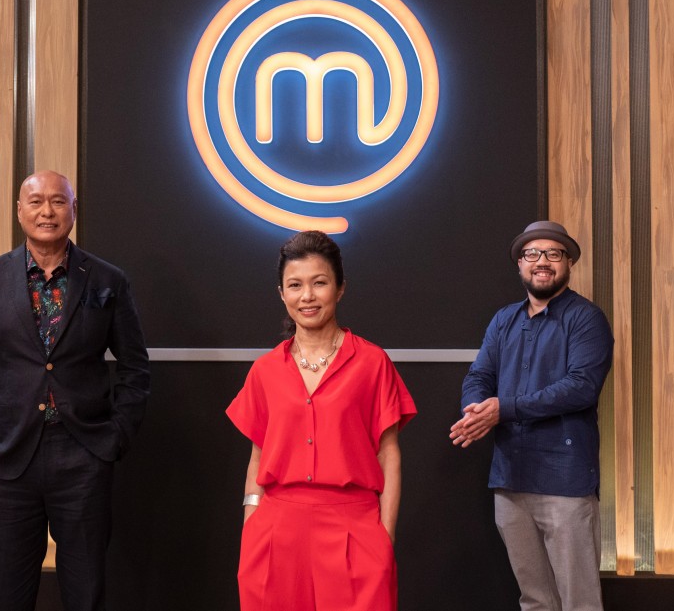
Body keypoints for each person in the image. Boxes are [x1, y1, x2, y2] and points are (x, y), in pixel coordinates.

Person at [0, 170, 150, 611]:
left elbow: (136, 369)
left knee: (86, 592)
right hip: (6, 460)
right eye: (36, 201)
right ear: (19, 211)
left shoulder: (107, 280)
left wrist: (113, 439)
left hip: (82, 455)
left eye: (58, 202)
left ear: (73, 211)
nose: (47, 211)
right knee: (7, 595)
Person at [226, 230, 416, 611]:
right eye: (295, 285)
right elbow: (257, 457)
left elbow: (388, 454)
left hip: (354, 526)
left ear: (340, 288)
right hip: (277, 530)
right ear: (282, 293)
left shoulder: (372, 362)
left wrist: (384, 536)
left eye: (320, 283)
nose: (307, 296)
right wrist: (251, 524)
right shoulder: (264, 371)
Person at [449, 220, 613, 611]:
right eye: (532, 254)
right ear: (520, 264)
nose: (542, 261)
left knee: (580, 602)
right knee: (535, 600)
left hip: (565, 482)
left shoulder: (586, 318)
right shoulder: (504, 319)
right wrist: (475, 410)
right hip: (511, 479)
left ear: (568, 263)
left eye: (553, 254)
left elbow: (580, 387)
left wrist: (503, 409)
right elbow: (479, 376)